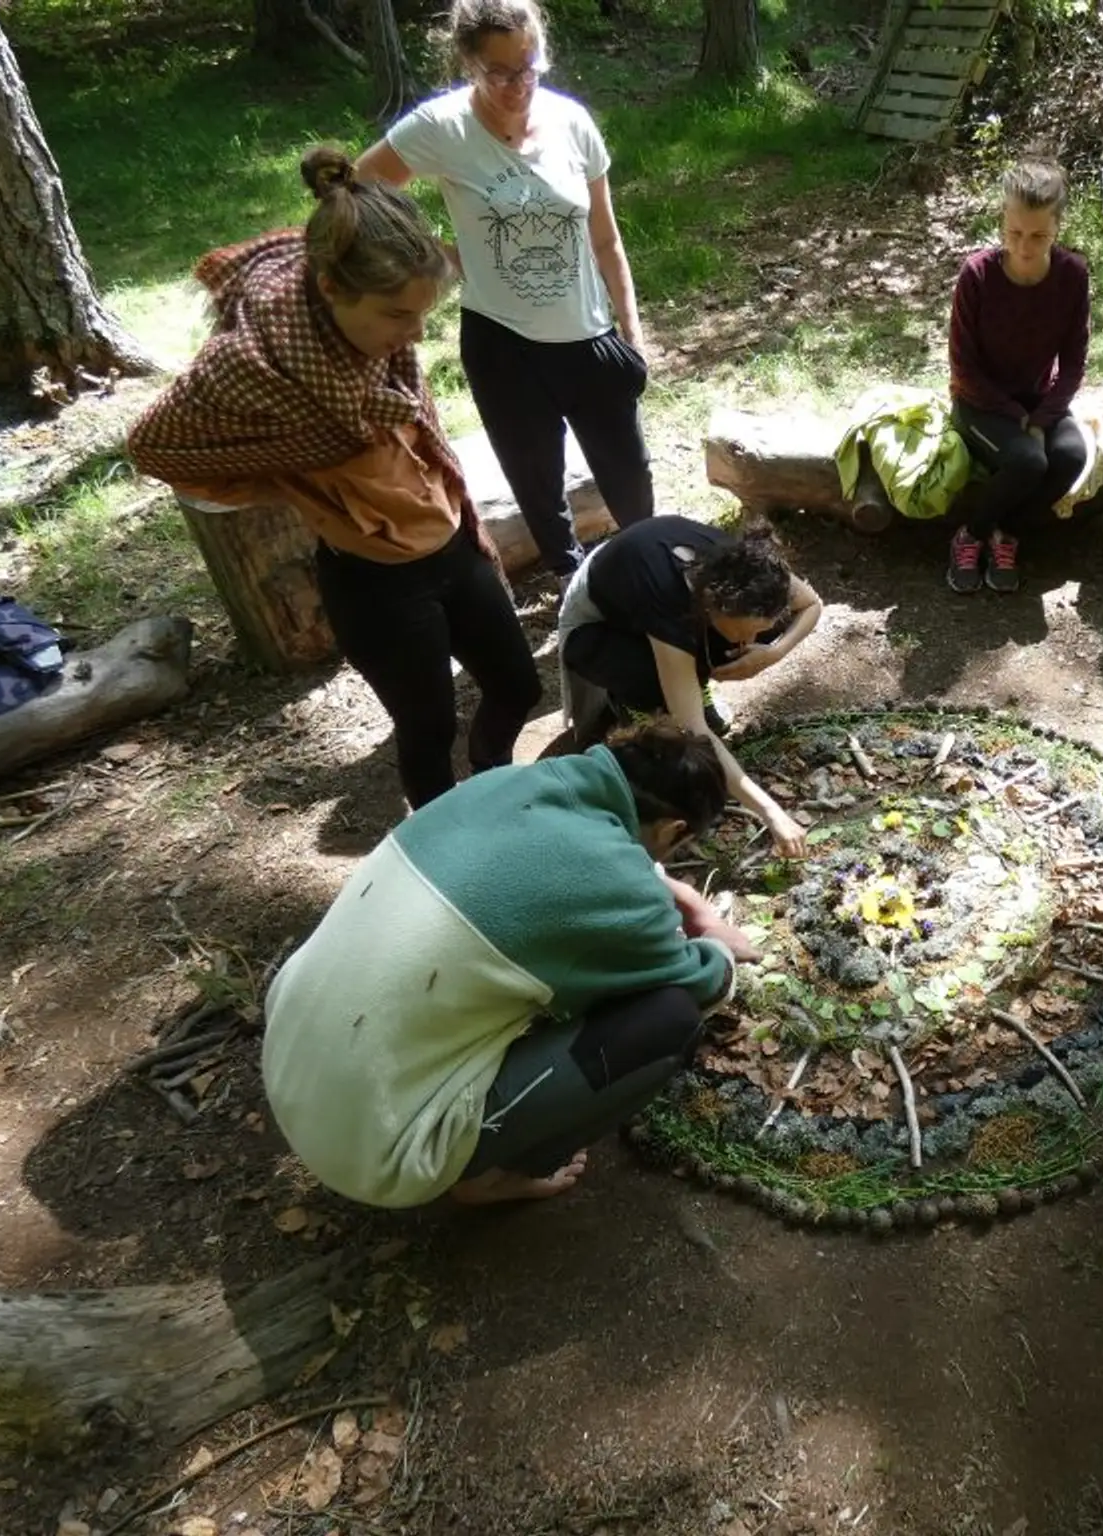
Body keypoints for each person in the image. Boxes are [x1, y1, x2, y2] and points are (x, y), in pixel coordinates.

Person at [127, 147, 541, 812]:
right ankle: (449, 842)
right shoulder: (253, 366)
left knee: (518, 686)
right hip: (377, 586)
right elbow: (154, 445)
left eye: (421, 316)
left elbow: (411, 422)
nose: (413, 335)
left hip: (452, 544)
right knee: (428, 730)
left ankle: (492, 776)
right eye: (398, 316)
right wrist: (284, 472)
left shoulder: (384, 347)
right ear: (330, 289)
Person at [262, 722, 759, 1208]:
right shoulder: (618, 887)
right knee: (667, 1020)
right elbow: (702, 983)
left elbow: (585, 859)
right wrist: (716, 942)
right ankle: (486, 1174)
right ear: (676, 830)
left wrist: (681, 898)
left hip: (287, 1059)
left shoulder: (510, 782)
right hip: (374, 1151)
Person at [355, 0, 651, 579]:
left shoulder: (573, 122)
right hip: (502, 344)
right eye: (500, 72)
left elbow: (607, 240)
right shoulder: (441, 128)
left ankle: (651, 576)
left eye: (530, 67)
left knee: (631, 479)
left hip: (589, 334)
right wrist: (436, 252)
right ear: (469, 64)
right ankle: (574, 587)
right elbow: (357, 186)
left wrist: (632, 331)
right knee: (537, 485)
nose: (519, 84)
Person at [558, 515, 821, 856]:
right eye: (747, 629)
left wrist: (770, 653)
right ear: (712, 605)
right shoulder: (668, 604)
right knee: (657, 691)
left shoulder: (751, 569)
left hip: (667, 602)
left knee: (762, 632)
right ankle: (637, 705)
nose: (751, 640)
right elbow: (693, 729)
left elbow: (812, 604)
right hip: (597, 626)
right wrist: (771, 812)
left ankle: (691, 684)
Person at [945, 157, 1090, 594]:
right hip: (978, 402)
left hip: (1034, 399)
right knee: (1028, 460)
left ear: (1057, 228)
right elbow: (963, 368)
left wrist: (1043, 418)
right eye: (1015, 234)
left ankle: (1006, 532)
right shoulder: (978, 275)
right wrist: (1014, 416)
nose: (1025, 247)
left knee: (1070, 456)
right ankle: (969, 534)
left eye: (1039, 236)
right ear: (1002, 223)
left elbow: (1074, 363)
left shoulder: (1071, 276)